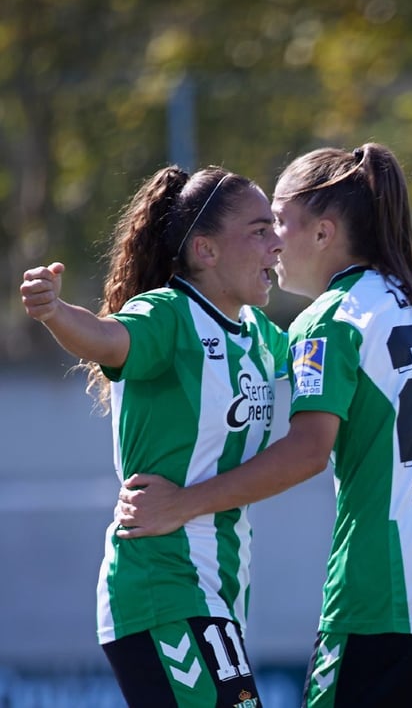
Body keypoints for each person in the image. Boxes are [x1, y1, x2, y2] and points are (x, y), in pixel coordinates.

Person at [114, 143, 412, 707]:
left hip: (396, 585)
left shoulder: (331, 316)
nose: (275, 242)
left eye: (279, 221)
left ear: (324, 233)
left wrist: (182, 504)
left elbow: (307, 451)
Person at [20, 166, 283, 707]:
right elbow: (107, 338)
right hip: (161, 585)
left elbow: (319, 351)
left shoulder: (258, 335)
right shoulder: (170, 314)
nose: (277, 243)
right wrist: (55, 312)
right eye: (260, 231)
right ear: (206, 250)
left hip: (214, 590)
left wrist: (404, 324)